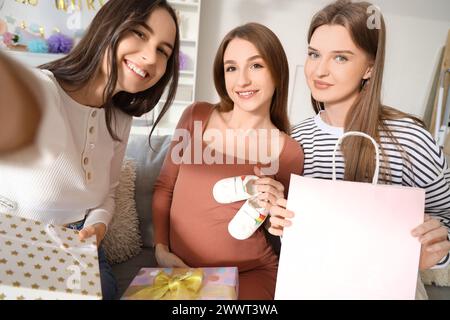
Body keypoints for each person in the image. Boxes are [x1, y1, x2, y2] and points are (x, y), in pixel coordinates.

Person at [268, 0, 450, 297]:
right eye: (314, 54)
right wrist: (277, 222)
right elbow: (293, 236)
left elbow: (446, 218)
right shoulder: (293, 140)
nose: (320, 70)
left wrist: (439, 249)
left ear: (369, 67)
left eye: (340, 58)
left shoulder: (410, 139)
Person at [0, 0, 180, 300]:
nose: (150, 57)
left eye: (163, 50)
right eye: (139, 33)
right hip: (16, 243)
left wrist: (97, 228)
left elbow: (107, 193)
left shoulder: (120, 119)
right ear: (109, 27)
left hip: (80, 250)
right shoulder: (38, 90)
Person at [152, 23, 304, 300]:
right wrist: (161, 249)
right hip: (180, 270)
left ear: (277, 72)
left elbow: (281, 232)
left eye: (256, 66)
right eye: (231, 68)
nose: (242, 80)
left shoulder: (289, 151)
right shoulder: (196, 116)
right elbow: (165, 187)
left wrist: (274, 211)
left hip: (249, 275)